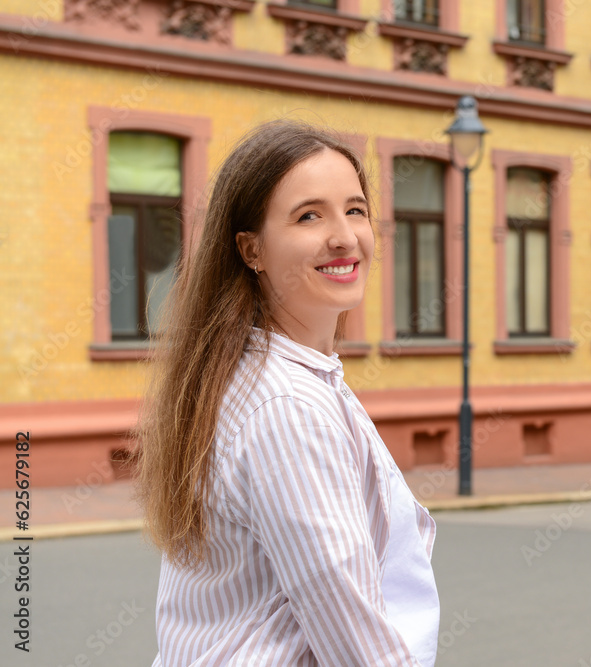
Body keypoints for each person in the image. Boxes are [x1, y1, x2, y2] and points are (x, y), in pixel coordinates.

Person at [135, 120, 440, 666]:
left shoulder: (266, 375)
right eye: (309, 216)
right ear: (251, 250)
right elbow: (354, 638)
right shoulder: (287, 407)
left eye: (355, 209)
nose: (344, 235)